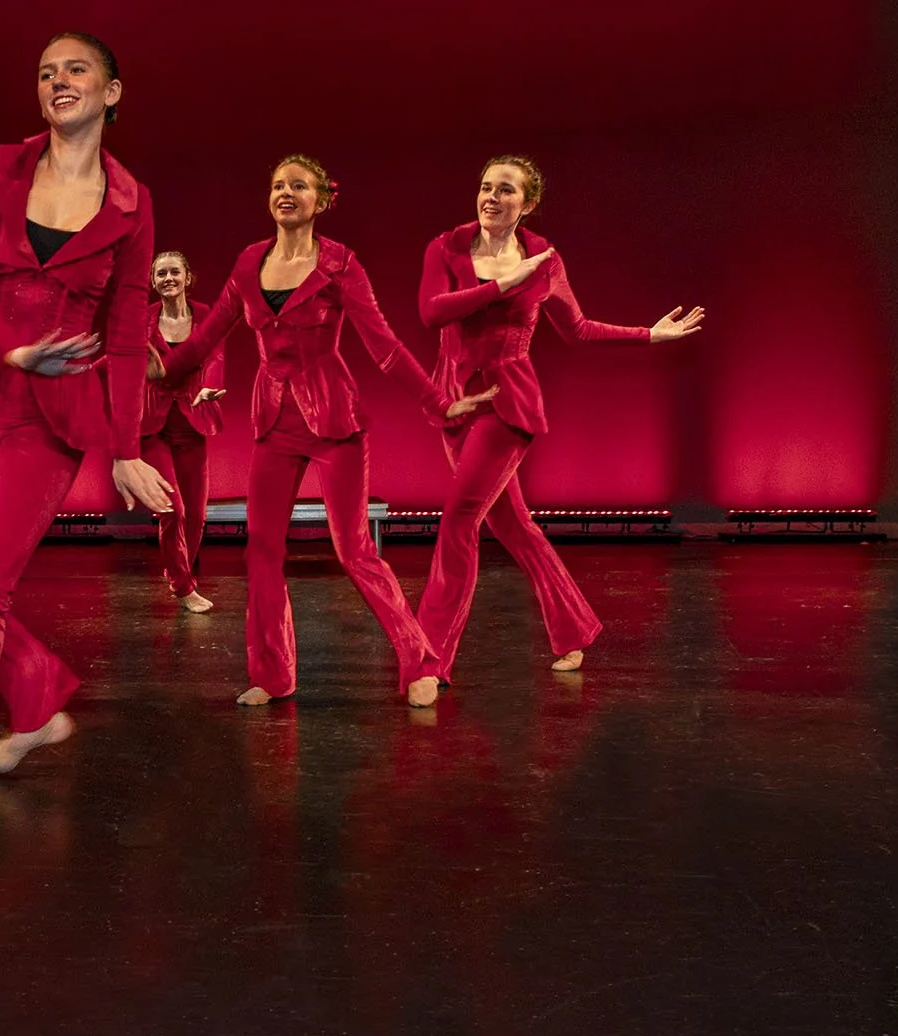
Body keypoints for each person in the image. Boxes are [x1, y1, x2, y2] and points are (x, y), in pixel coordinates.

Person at [0, 32, 175, 819]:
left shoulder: (131, 202)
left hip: (49, 418)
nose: (58, 80)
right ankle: (38, 693)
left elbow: (124, 333)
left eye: (75, 69)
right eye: (46, 71)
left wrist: (124, 451)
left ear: (113, 91)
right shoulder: (2, 168)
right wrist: (12, 348)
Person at [156, 156, 496, 709]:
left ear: (321, 199)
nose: (284, 193)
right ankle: (272, 675)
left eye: (298, 185)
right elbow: (208, 336)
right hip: (274, 423)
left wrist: (443, 403)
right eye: (277, 185)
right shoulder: (248, 263)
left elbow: (384, 348)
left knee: (355, 549)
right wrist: (158, 369)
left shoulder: (340, 265)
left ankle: (421, 661)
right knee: (261, 550)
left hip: (334, 420)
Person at [414, 155, 705, 690]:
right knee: (513, 526)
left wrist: (648, 334)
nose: (490, 197)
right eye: (485, 187)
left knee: (459, 520)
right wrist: (503, 285)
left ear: (526, 205)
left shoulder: (544, 259)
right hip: (456, 404)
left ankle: (429, 661)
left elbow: (577, 329)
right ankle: (575, 628)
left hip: (507, 406)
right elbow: (432, 312)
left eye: (505, 190)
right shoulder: (446, 247)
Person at [142, 250, 226, 612]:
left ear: (187, 277)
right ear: (153, 281)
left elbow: (217, 355)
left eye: (175, 271)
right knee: (170, 509)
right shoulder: (142, 320)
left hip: (192, 421)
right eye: (161, 274)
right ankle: (183, 586)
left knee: (196, 514)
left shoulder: (206, 315)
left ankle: (179, 567)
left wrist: (210, 385)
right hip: (153, 427)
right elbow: (120, 356)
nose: (168, 278)